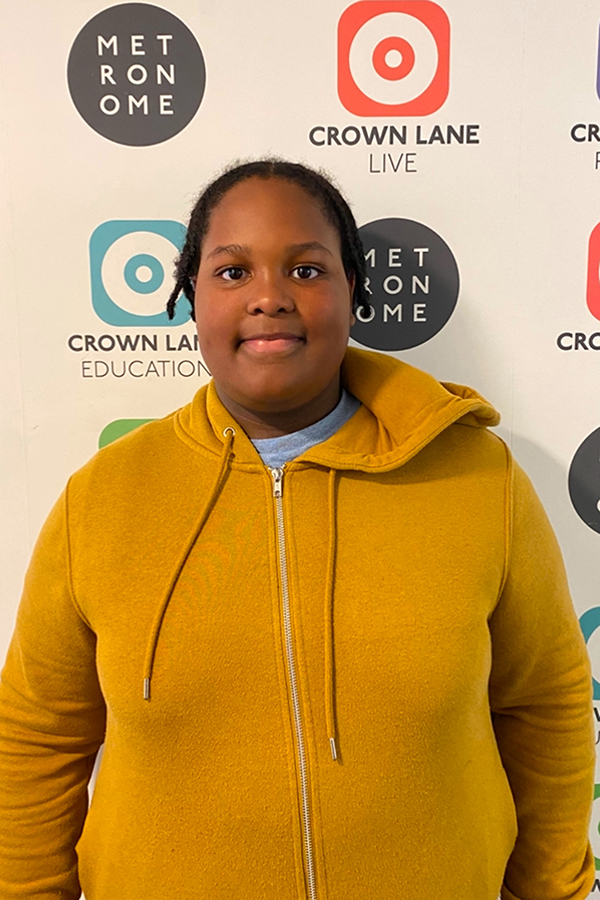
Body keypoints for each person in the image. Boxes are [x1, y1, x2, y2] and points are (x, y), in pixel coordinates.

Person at [0, 159, 594, 900]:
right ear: (191, 298)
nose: (270, 297)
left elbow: (545, 705)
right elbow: (38, 739)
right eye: (232, 271)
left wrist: (554, 891)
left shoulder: (480, 480)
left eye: (307, 270)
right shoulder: (103, 499)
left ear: (355, 292)